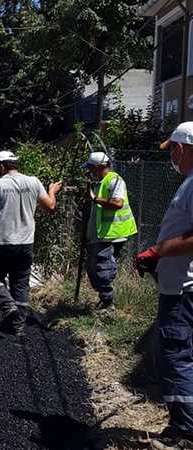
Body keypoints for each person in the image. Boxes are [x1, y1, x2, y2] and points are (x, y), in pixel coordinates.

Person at [137, 122, 193, 449]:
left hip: (184, 290)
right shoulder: (188, 182)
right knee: (176, 353)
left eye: (173, 148)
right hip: (177, 286)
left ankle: (184, 431)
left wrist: (161, 250)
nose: (171, 154)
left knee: (176, 355)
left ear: (185, 147)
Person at [0, 151, 62, 336]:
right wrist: (52, 191)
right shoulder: (33, 182)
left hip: (2, 241)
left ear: (1, 166)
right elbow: (50, 207)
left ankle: (7, 305)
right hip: (26, 242)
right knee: (20, 283)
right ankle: (17, 326)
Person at [82, 152, 137, 310]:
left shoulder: (114, 180)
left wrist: (94, 199)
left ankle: (108, 304)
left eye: (91, 169)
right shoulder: (100, 183)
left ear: (99, 167)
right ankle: (104, 299)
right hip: (101, 234)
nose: (90, 173)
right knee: (93, 268)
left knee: (102, 268)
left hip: (113, 233)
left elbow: (117, 203)